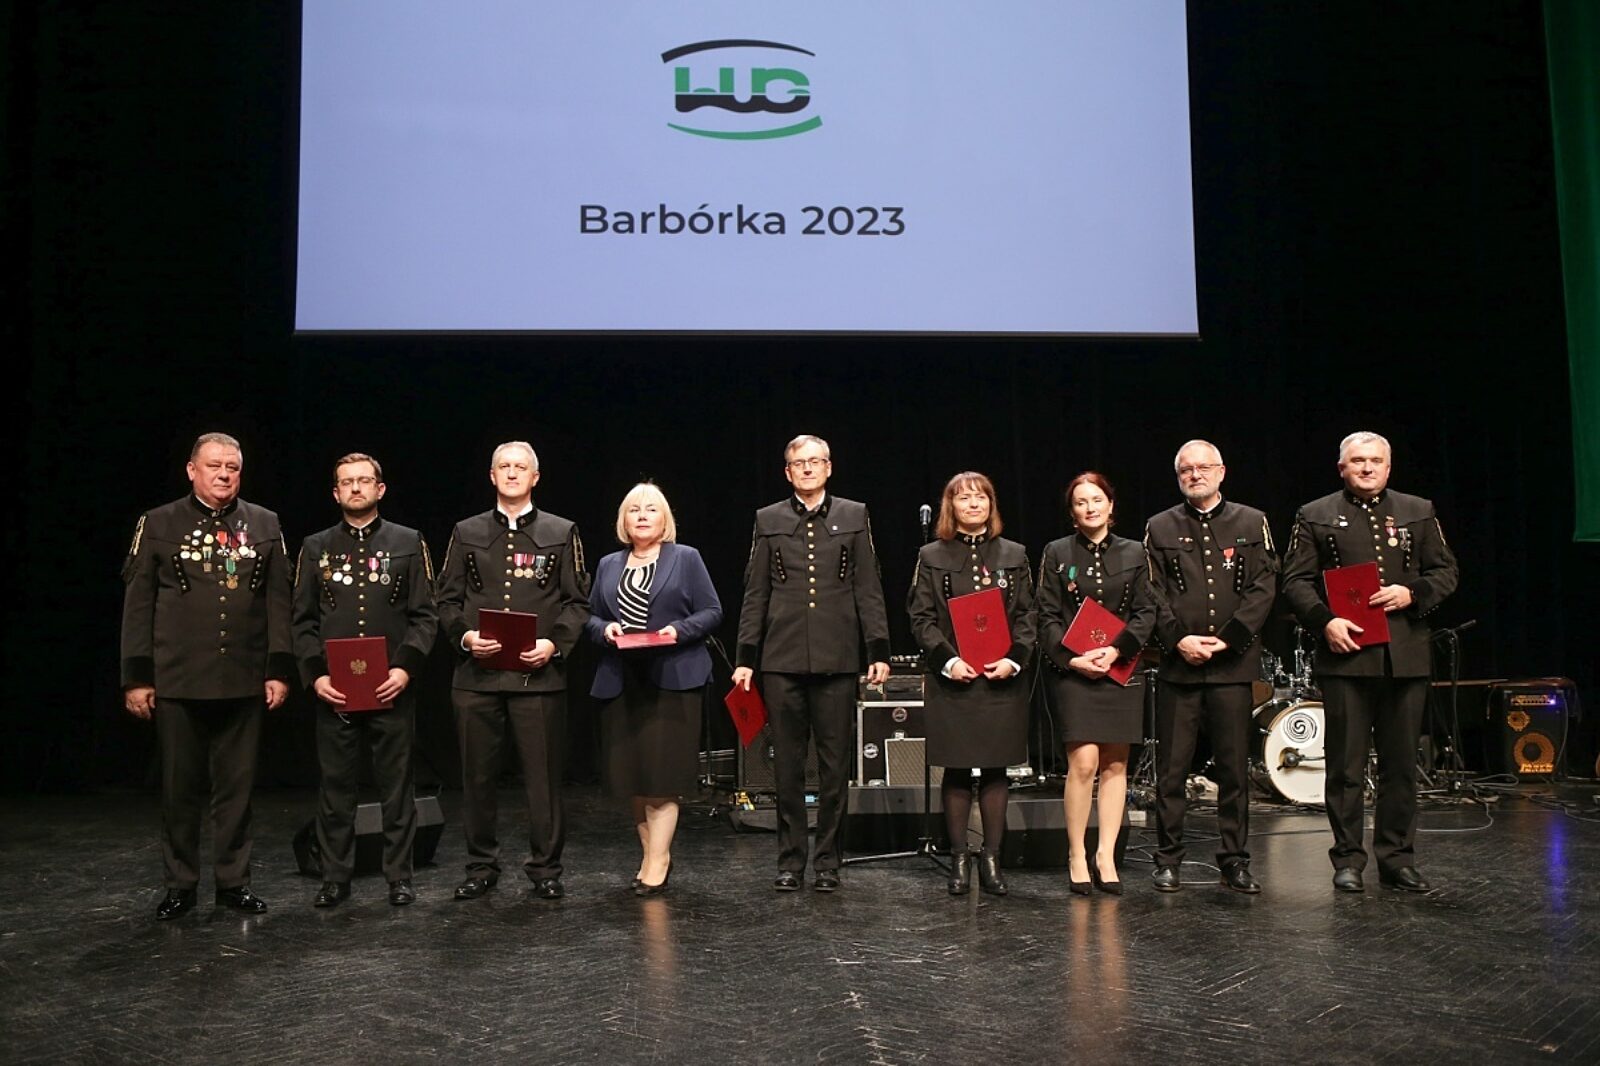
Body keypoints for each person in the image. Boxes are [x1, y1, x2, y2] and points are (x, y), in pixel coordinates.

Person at [120, 432, 293, 920]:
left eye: (232, 467)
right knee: (179, 790)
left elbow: (278, 603)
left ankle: (234, 883)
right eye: (214, 466)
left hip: (243, 677)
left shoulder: (265, 523)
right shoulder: (159, 523)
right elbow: (138, 606)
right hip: (178, 679)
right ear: (191, 470)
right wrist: (137, 677)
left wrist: (278, 669)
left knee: (237, 791)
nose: (223, 475)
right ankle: (181, 885)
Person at [1281, 432, 1458, 893]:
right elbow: (1295, 581)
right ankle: (1347, 859)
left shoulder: (1418, 510)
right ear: (1341, 468)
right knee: (1345, 766)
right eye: (1357, 461)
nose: (1366, 468)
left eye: (1375, 461)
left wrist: (1412, 593)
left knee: (1401, 765)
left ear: (1388, 466)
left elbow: (1446, 571)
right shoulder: (1315, 514)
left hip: (1405, 655)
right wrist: (1325, 622)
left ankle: (1397, 859)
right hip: (1346, 656)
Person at [732, 434, 891, 892]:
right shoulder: (768, 519)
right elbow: (756, 593)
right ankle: (790, 861)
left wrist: (878, 650)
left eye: (815, 461)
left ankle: (827, 862)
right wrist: (746, 657)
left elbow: (868, 588)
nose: (807, 468)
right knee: (786, 766)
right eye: (798, 463)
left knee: (835, 766)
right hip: (781, 659)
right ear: (787, 472)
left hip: (837, 658)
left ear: (828, 467)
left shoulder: (853, 515)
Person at [435, 441, 590, 901]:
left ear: (535, 477)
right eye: (503, 466)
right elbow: (446, 600)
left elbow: (577, 602)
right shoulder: (466, 531)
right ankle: (481, 866)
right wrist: (465, 637)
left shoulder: (561, 531)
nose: (512, 473)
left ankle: (545, 868)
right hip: (476, 677)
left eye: (521, 467)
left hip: (537, 678)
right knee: (477, 779)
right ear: (492, 476)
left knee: (542, 780)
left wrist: (553, 644)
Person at [292, 453, 438, 908]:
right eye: (347, 482)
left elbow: (425, 616)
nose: (355, 488)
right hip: (334, 690)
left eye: (364, 480)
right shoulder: (315, 546)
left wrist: (405, 667)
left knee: (397, 786)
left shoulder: (408, 542)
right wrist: (315, 676)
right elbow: (302, 621)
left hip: (391, 685)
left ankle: (399, 876)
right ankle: (335, 877)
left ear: (380, 488)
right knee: (336, 788)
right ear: (335, 493)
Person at [1143, 440, 1277, 894]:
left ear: (1222, 472)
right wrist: (1178, 639)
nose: (1195, 475)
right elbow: (1152, 592)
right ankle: (1168, 859)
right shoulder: (1159, 526)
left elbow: (1263, 584)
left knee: (1234, 770)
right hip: (1179, 666)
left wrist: (1231, 638)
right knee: (1172, 771)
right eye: (1186, 470)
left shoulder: (1252, 521)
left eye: (1203, 468)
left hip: (1232, 666)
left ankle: (1234, 860)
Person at [585, 483, 723, 896]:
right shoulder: (609, 564)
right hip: (622, 678)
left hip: (673, 678)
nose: (642, 516)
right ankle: (651, 856)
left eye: (651, 509)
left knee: (663, 776)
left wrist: (677, 630)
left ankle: (658, 861)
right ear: (623, 521)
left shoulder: (686, 558)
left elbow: (712, 610)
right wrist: (604, 629)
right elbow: (588, 616)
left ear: (665, 519)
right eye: (634, 510)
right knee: (634, 776)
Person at [907, 471, 1037, 897]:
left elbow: (1029, 615)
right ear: (951, 507)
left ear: (991, 504)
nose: (973, 504)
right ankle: (959, 857)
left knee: (997, 768)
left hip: (1002, 678)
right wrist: (948, 661)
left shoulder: (1014, 554)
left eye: (980, 497)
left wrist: (1014, 660)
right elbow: (921, 618)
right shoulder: (931, 555)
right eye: (963, 498)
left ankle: (992, 858)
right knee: (958, 768)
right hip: (954, 678)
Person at [1036, 472, 1156, 896]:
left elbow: (1146, 611)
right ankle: (1076, 853)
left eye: (1096, 500)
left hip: (1120, 669)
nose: (1090, 508)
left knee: (1116, 765)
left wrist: (1117, 650)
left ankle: (1105, 855)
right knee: (1084, 763)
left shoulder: (1135, 552)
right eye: (1081, 502)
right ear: (1072, 512)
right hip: (1075, 671)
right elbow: (1047, 615)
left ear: (1110, 505)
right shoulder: (1056, 552)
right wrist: (1072, 659)